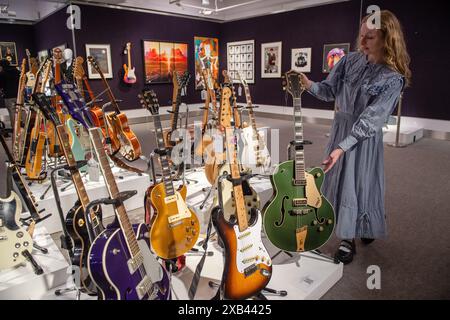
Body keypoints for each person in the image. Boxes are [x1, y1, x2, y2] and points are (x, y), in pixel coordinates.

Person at [300, 10, 411, 264]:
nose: (362, 43)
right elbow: (329, 91)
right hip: (341, 128)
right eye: (361, 36)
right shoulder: (349, 61)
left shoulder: (392, 79)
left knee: (358, 182)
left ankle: (355, 233)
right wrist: (308, 84)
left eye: (370, 38)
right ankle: (352, 232)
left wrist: (343, 147)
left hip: (362, 138)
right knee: (337, 180)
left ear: (387, 39)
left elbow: (371, 119)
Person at [0, 59, 20, 129]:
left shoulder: (2, 73)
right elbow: (24, 79)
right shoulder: (16, 71)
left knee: (12, 112)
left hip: (9, 96)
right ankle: (25, 126)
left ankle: (15, 128)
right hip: (19, 94)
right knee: (21, 110)